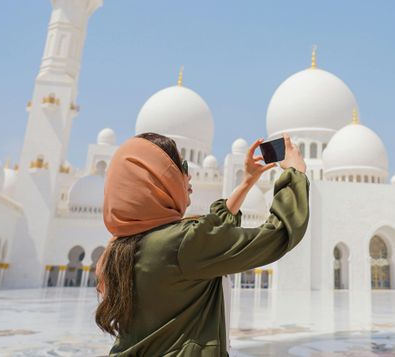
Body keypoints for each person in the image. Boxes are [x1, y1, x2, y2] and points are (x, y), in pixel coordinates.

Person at [95, 131, 309, 356]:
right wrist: (295, 173)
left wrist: (247, 182)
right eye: (183, 167)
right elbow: (277, 235)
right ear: (158, 177)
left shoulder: (116, 249)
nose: (188, 177)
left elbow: (210, 230)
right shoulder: (181, 243)